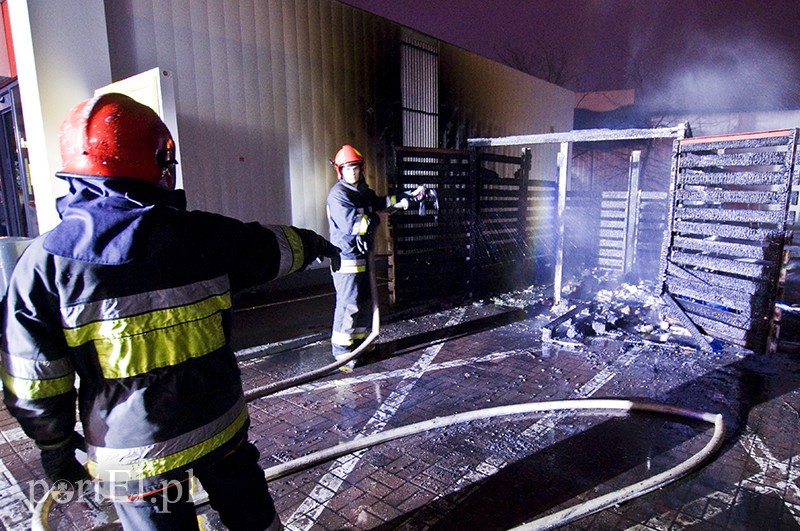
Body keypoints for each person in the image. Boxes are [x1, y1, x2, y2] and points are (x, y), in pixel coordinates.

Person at [0, 93, 338, 530]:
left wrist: (56, 448)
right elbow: (269, 247)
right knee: (255, 519)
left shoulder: (44, 266)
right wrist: (316, 243)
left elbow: (35, 381)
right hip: (219, 426)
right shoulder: (204, 235)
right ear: (159, 160)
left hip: (133, 456)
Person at [325, 145, 424, 367]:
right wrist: (378, 217)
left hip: (362, 256)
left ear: (361, 169)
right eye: (348, 169)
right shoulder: (339, 195)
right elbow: (355, 225)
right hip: (347, 258)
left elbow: (381, 203)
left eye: (355, 168)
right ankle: (342, 351)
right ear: (340, 171)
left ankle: (360, 343)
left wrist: (407, 197)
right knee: (349, 304)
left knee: (365, 301)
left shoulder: (363, 192)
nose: (352, 172)